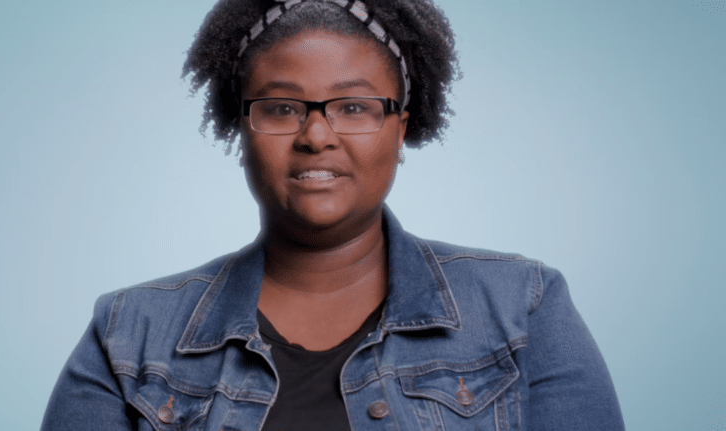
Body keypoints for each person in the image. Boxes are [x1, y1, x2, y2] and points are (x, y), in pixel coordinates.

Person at [41, 0, 625, 430]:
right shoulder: (128, 333)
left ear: (401, 129)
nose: (316, 135)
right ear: (239, 128)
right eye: (282, 107)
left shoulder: (523, 306)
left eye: (353, 106)